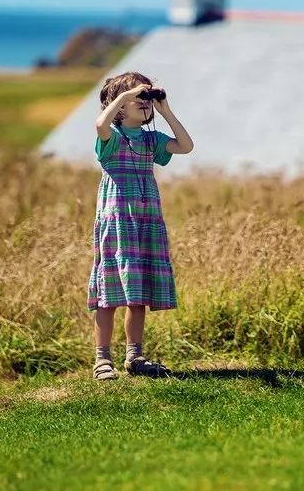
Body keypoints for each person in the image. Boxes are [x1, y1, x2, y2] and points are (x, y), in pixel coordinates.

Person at [88, 71, 194, 380]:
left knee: (138, 292)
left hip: (146, 222)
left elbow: (185, 146)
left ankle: (135, 356)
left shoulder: (151, 140)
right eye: (138, 100)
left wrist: (165, 110)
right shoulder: (112, 138)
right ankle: (101, 359)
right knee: (109, 291)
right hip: (117, 221)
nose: (144, 104)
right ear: (119, 107)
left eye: (145, 99)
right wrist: (121, 96)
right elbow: (100, 125)